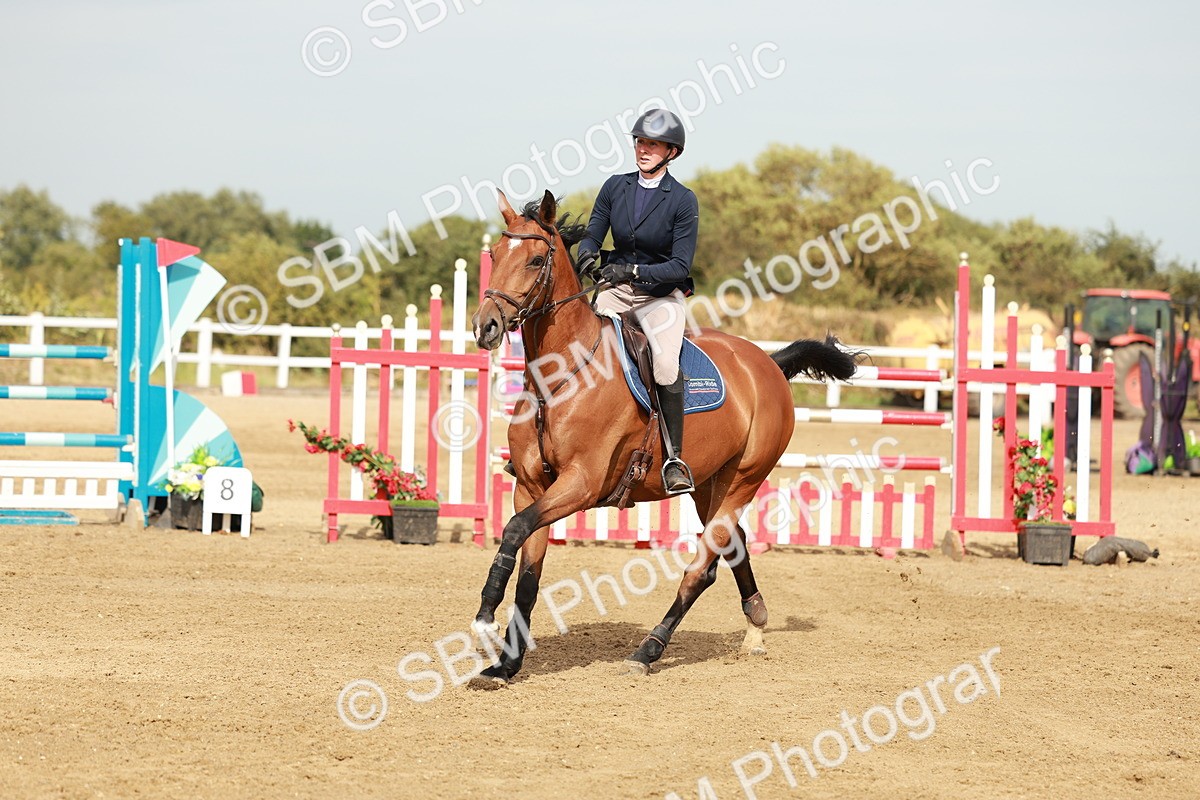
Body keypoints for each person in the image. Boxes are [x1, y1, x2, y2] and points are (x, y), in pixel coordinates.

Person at [576, 108, 699, 495]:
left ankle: (674, 458)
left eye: (653, 144)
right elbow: (595, 231)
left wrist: (630, 272)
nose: (644, 150)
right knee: (580, 350)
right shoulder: (615, 187)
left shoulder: (682, 200)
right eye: (640, 142)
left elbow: (679, 266)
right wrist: (586, 253)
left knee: (663, 365)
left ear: (671, 152)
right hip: (614, 289)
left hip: (660, 295)